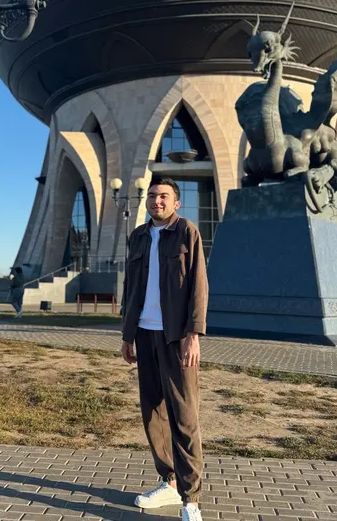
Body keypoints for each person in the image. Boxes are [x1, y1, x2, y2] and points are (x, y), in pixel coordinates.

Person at [121, 176, 208, 521]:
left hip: (176, 337)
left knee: (184, 416)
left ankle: (191, 500)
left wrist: (193, 334)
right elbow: (130, 287)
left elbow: (199, 285)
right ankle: (168, 482)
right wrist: (127, 335)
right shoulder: (138, 236)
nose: (157, 201)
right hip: (144, 333)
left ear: (176, 203)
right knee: (152, 413)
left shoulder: (187, 232)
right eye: (153, 195)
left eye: (164, 196)